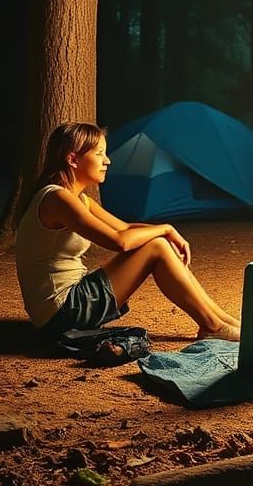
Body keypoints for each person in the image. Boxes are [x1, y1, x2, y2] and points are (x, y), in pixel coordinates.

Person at [16, 122, 241, 342]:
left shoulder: (77, 198)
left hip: (65, 306)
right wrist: (166, 229)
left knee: (157, 242)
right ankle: (213, 326)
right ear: (73, 159)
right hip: (63, 312)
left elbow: (123, 228)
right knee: (157, 246)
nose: (107, 160)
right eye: (100, 153)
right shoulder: (58, 198)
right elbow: (119, 241)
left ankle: (223, 321)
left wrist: (165, 231)